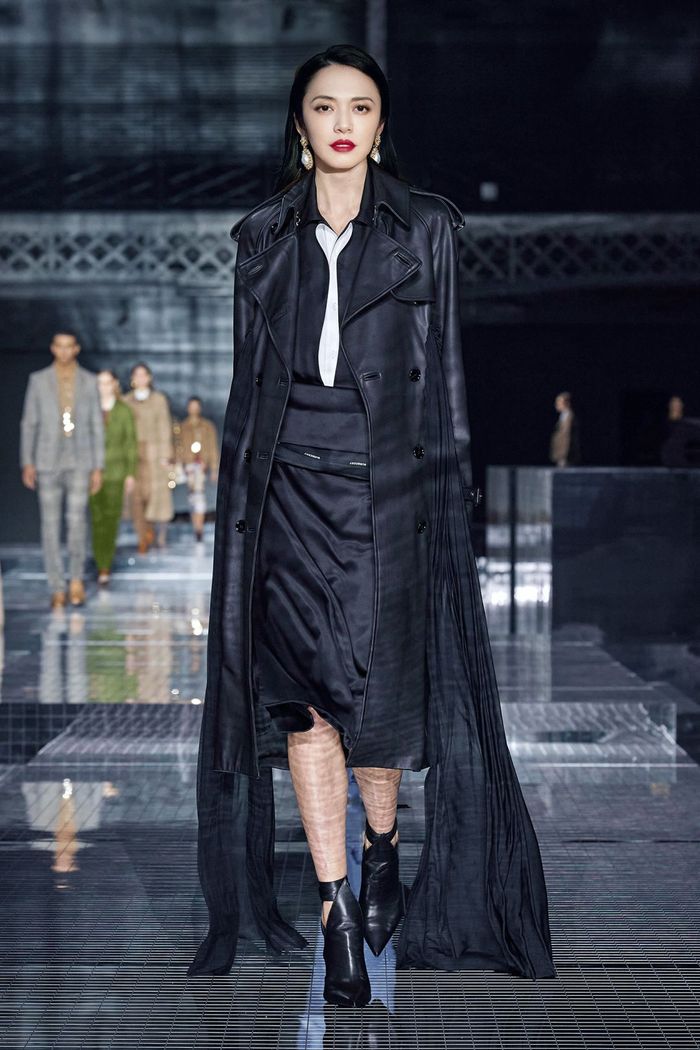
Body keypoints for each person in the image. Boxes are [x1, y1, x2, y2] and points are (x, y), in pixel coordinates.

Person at [188, 45, 556, 1003]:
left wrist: (452, 505)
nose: (342, 123)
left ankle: (382, 846)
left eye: (360, 107)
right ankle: (337, 908)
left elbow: (448, 377)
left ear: (381, 127)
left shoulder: (426, 227)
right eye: (324, 107)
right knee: (303, 706)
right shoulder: (261, 236)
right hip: (285, 499)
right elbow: (247, 385)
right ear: (300, 125)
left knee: (377, 711)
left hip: (387, 496)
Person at [20, 332, 104, 609]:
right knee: (50, 525)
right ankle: (56, 585)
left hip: (80, 460)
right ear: (53, 348)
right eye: (60, 346)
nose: (65, 351)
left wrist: (98, 466)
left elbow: (96, 424)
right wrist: (27, 461)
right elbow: (29, 422)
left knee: (77, 522)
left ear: (76, 349)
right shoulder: (38, 380)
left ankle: (76, 580)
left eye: (69, 346)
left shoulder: (89, 381)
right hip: (47, 460)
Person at [88, 370, 138, 584]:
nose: (103, 387)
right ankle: (100, 561)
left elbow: (130, 443)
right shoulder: (89, 409)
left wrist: (130, 473)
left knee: (110, 519)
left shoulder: (123, 411)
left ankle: (104, 565)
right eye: (99, 383)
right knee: (96, 519)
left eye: (107, 382)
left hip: (116, 473)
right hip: (91, 472)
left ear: (114, 384)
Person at [124, 363, 175, 553]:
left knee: (155, 496)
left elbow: (164, 427)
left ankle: (155, 534)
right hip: (133, 453)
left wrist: (165, 455)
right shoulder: (125, 400)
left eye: (143, 375)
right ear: (132, 378)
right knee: (136, 497)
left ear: (149, 378)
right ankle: (142, 537)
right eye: (136, 375)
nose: (140, 378)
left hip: (154, 454)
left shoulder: (158, 400)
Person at [175, 397, 219, 544]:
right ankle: (197, 527)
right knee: (192, 496)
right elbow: (178, 448)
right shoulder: (182, 427)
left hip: (201, 466)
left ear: (200, 408)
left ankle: (199, 528)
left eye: (196, 406)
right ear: (188, 408)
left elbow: (213, 448)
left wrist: (214, 469)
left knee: (198, 495)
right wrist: (179, 466)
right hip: (188, 466)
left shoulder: (207, 426)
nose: (194, 409)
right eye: (191, 406)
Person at [549, 390, 581, 467]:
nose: (557, 405)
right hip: (561, 454)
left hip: (566, 455)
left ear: (567, 403)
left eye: (559, 402)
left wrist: (564, 456)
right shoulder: (563, 416)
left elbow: (567, 438)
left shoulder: (570, 417)